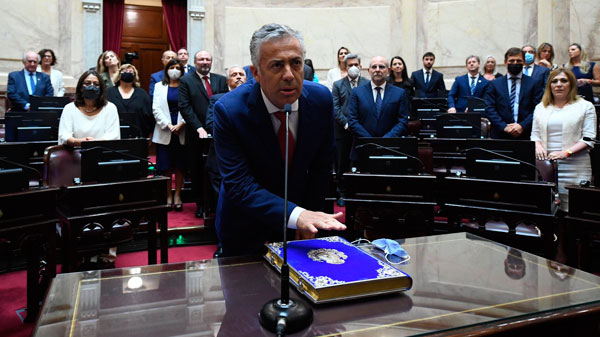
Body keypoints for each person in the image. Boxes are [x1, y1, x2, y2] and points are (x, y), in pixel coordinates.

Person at [213, 23, 346, 256]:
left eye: (296, 63)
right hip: (245, 225)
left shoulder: (321, 99)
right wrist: (296, 215)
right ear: (255, 73)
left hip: (302, 224)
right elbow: (239, 184)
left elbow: (321, 167)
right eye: (276, 65)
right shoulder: (229, 110)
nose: (289, 75)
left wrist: (309, 217)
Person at [531, 68, 596, 212]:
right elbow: (535, 135)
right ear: (549, 86)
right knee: (548, 210)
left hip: (575, 165)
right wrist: (538, 145)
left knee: (575, 210)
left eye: (563, 80)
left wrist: (565, 153)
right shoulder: (540, 107)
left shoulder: (585, 106)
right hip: (547, 167)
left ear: (571, 84)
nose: (558, 84)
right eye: (554, 81)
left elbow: (588, 138)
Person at [179, 50, 228, 218]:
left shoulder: (220, 80)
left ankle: (215, 203)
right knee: (197, 170)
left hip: (218, 134)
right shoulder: (186, 81)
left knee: (216, 171)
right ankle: (200, 203)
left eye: (208, 59)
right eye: (201, 59)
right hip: (196, 134)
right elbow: (185, 107)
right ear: (195, 62)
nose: (205, 62)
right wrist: (199, 127)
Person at [205, 65, 247, 258]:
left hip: (249, 161)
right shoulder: (216, 99)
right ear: (227, 80)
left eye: (241, 74)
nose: (238, 77)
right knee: (223, 205)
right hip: (221, 161)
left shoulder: (255, 100)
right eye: (234, 75)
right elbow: (212, 125)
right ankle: (223, 243)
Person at [347, 55, 410, 160]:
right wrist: (371, 140)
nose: (377, 70)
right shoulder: (357, 92)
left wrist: (385, 140)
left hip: (390, 148)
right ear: (369, 70)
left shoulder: (399, 93)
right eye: (374, 67)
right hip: (363, 148)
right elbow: (352, 120)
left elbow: (402, 121)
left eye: (381, 67)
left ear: (388, 70)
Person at [332, 53, 369, 207]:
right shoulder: (338, 84)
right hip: (343, 131)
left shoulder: (367, 83)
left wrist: (358, 126)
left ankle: (359, 191)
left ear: (360, 66)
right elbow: (335, 107)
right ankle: (341, 192)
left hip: (362, 130)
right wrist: (347, 123)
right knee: (342, 163)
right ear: (345, 67)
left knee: (361, 162)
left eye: (356, 64)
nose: (353, 67)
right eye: (350, 65)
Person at [483, 47, 543, 140]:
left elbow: (538, 108)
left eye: (518, 60)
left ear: (523, 62)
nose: (515, 63)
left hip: (526, 134)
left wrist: (522, 126)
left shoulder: (533, 83)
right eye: (512, 60)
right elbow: (489, 108)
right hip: (500, 134)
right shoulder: (495, 84)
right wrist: (504, 126)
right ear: (505, 62)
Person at [152, 59, 187, 211]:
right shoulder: (159, 86)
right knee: (165, 166)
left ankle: (178, 194)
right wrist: (168, 125)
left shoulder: (186, 86)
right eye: (171, 67)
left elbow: (189, 107)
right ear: (166, 70)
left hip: (182, 129)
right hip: (164, 129)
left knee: (180, 165)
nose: (174, 70)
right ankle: (167, 195)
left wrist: (181, 124)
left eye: (177, 67)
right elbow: (156, 109)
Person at [58, 70, 120, 146]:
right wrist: (80, 142)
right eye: (87, 83)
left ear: (101, 89)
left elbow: (113, 135)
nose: (91, 86)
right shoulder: (69, 108)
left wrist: (95, 143)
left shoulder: (110, 108)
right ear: (81, 87)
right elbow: (64, 136)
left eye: (96, 84)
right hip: (76, 152)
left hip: (102, 152)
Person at [106, 64, 153, 138]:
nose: (127, 73)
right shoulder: (109, 92)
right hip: (113, 136)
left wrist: (150, 133)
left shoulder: (142, 94)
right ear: (119, 74)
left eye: (130, 71)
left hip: (138, 137)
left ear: (134, 75)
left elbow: (149, 116)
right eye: (124, 71)